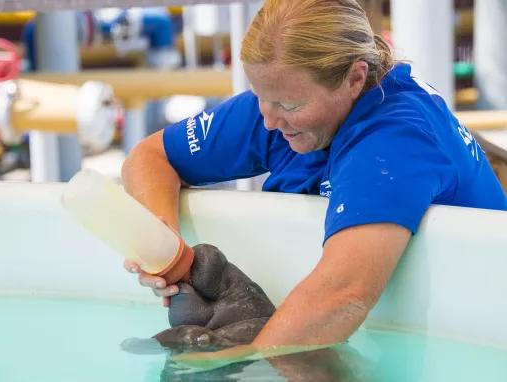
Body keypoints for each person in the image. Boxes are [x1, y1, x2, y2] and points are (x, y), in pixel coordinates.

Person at [122, 0, 507, 355]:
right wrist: (163, 243)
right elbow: (149, 157)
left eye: (290, 105)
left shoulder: (394, 140)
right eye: (259, 96)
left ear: (355, 78)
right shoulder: (282, 97)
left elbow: (342, 297)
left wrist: (231, 366)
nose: (269, 121)